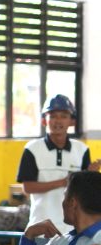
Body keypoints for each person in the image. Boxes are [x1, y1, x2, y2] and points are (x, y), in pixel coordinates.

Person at [17, 94, 98, 235]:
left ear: (72, 121)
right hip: (40, 228)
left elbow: (85, 193)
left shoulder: (82, 149)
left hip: (74, 230)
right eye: (53, 116)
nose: (58, 121)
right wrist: (64, 182)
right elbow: (27, 187)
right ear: (44, 121)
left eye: (64, 116)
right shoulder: (32, 149)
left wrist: (90, 176)